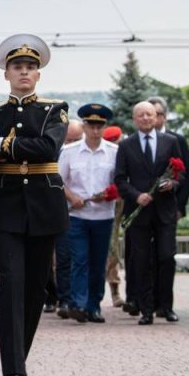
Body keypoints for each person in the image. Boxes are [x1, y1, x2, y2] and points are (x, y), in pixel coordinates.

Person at [0, 34, 68, 376]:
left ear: (38, 74)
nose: (24, 72)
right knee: (11, 287)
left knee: (34, 292)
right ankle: (13, 373)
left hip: (44, 207)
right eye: (18, 67)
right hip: (5, 208)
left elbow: (49, 146)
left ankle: (20, 364)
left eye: (30, 67)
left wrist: (2, 146)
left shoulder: (54, 110)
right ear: (7, 74)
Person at [115, 101, 182, 324]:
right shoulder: (126, 146)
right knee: (141, 261)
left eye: (149, 114)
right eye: (141, 115)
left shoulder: (170, 142)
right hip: (139, 211)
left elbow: (180, 174)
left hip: (164, 210)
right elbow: (120, 179)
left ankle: (166, 306)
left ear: (156, 117)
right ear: (134, 119)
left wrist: (172, 184)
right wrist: (136, 195)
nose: (145, 118)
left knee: (166, 257)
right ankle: (146, 309)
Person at [59, 104, 118, 323]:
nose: (95, 130)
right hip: (78, 216)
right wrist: (72, 196)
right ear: (84, 126)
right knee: (80, 260)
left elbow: (119, 182)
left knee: (97, 263)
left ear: (104, 127)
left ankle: (94, 306)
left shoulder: (114, 152)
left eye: (99, 126)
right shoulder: (69, 152)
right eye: (91, 125)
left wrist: (111, 194)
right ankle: (78, 304)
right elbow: (59, 181)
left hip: (104, 216)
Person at [47, 118, 84, 317]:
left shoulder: (83, 153)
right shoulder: (52, 152)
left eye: (76, 139)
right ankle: (58, 297)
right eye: (68, 140)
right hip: (53, 212)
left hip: (78, 213)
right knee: (58, 258)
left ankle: (69, 299)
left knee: (72, 258)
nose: (72, 144)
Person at [147, 96, 189, 218]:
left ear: (165, 116)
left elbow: (188, 174)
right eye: (149, 113)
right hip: (144, 207)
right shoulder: (136, 141)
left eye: (158, 114)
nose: (153, 117)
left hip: (170, 207)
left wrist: (179, 206)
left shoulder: (178, 140)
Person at [102, 125, 125, 307]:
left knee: (112, 248)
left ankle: (115, 289)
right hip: (91, 206)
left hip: (115, 205)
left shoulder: (121, 153)